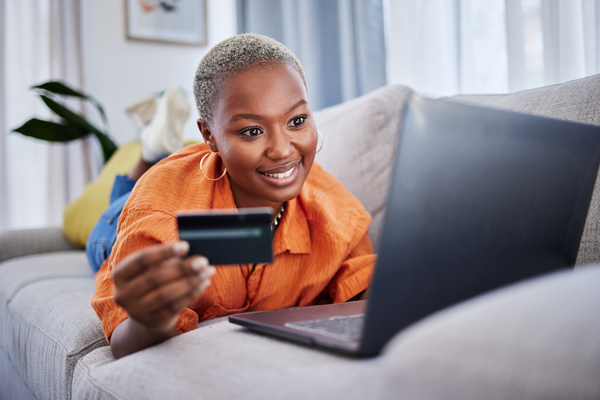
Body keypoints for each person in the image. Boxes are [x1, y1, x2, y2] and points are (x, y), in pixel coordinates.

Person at [91, 33, 376, 359]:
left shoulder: (337, 214)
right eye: (252, 131)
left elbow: (373, 298)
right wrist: (147, 320)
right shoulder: (159, 213)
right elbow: (124, 342)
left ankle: (157, 147)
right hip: (117, 224)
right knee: (110, 218)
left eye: (297, 121)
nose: (283, 150)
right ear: (209, 136)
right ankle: (149, 151)